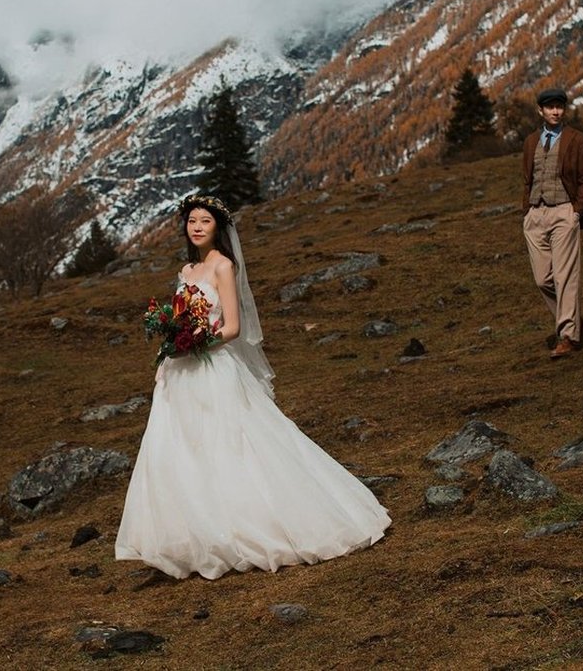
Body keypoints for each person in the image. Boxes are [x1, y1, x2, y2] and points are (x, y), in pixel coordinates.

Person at [115, 194, 390, 580]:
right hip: (179, 372)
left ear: (218, 227)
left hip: (211, 365)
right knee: (179, 448)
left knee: (230, 443)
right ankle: (192, 534)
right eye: (192, 221)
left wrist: (197, 342)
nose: (197, 227)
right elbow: (180, 315)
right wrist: (173, 344)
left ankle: (251, 525)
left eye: (205, 221)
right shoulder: (186, 269)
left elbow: (232, 327)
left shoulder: (223, 266)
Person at [521, 86, 583, 358]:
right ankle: (572, 319)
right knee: (543, 279)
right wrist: (527, 212)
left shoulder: (578, 139)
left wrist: (576, 212)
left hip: (564, 211)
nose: (555, 111)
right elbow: (527, 179)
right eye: (550, 107)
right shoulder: (531, 142)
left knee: (566, 276)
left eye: (559, 106)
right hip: (535, 215)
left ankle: (568, 335)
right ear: (540, 110)